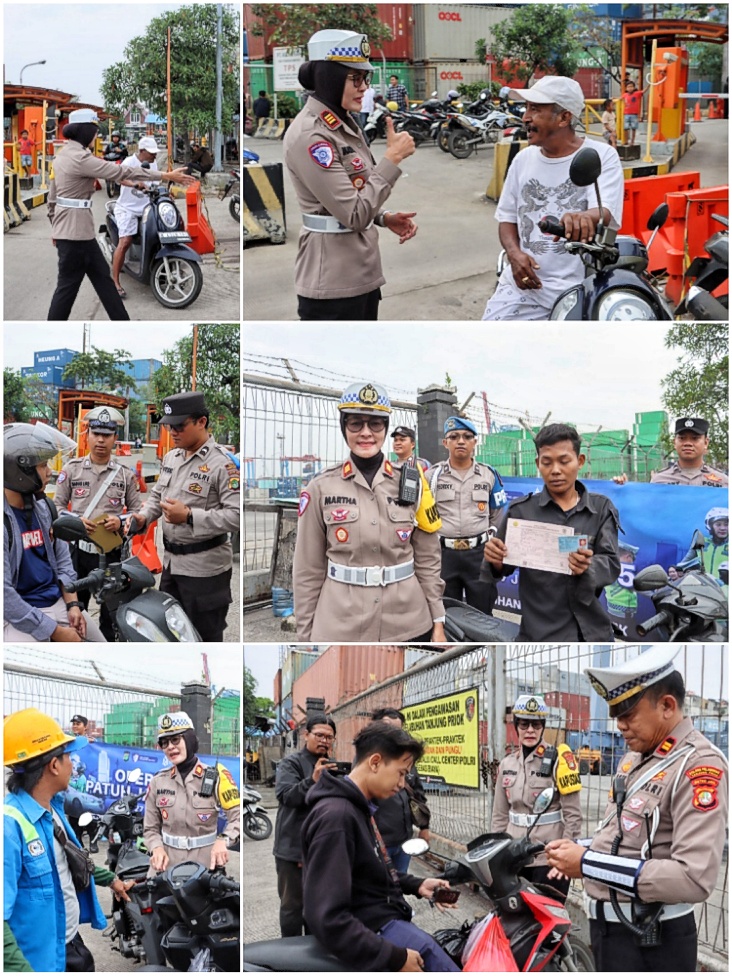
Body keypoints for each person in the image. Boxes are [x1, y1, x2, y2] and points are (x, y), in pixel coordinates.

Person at [545, 646, 728, 972]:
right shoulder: (636, 758)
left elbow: (693, 878)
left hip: (652, 942)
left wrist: (587, 864)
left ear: (667, 706)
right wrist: (579, 849)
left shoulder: (698, 765)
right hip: (611, 933)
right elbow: (624, 836)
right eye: (616, 716)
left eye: (628, 715)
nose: (619, 727)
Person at [293, 380, 446, 642]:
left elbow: (428, 557)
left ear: (385, 429)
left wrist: (438, 620)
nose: (366, 432)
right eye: (355, 423)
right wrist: (306, 635)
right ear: (344, 428)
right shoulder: (320, 487)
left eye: (375, 423)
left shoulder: (413, 482)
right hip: (342, 624)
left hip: (407, 622)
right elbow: (308, 569)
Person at [302, 721, 460, 972]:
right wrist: (393, 958)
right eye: (400, 773)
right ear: (375, 762)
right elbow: (327, 917)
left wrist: (416, 884)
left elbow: (368, 871)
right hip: (373, 930)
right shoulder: (338, 817)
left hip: (382, 918)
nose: (402, 784)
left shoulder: (358, 807)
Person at [283, 29, 417, 321]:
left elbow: (354, 191)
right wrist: (392, 158)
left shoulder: (342, 123)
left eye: (365, 79)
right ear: (329, 77)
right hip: (333, 284)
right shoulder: (312, 136)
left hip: (362, 274)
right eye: (355, 79)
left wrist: (383, 216)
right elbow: (354, 213)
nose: (364, 87)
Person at [482, 76, 624, 321]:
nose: (526, 117)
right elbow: (506, 220)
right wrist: (515, 255)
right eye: (526, 108)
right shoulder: (522, 160)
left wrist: (584, 217)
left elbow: (604, 210)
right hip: (522, 289)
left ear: (564, 117)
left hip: (578, 290)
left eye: (535, 109)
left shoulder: (601, 156)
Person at [4, 708, 133, 972]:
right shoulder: (10, 827)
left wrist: (112, 881)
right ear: (53, 765)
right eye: (67, 757)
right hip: (39, 961)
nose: (72, 765)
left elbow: (69, 860)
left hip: (69, 943)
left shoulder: (51, 810)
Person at [46, 108, 194, 321]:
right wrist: (164, 175)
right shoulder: (80, 158)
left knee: (104, 282)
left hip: (80, 234)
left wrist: (55, 227)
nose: (97, 135)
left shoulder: (62, 156)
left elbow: (52, 197)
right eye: (95, 131)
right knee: (67, 289)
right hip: (74, 236)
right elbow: (120, 172)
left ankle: (123, 322)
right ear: (86, 132)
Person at [481, 423, 621, 640]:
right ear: (538, 463)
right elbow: (500, 567)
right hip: (538, 633)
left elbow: (612, 564)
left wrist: (588, 566)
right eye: (547, 462)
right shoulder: (521, 512)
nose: (555, 470)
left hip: (590, 633)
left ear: (580, 461)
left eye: (564, 461)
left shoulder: (601, 509)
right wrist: (496, 559)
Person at [126, 391, 240, 642]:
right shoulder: (171, 457)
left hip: (205, 572)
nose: (173, 433)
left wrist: (189, 516)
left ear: (201, 421)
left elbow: (236, 516)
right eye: (168, 427)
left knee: (204, 639)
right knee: (170, 635)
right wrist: (144, 517)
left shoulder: (223, 464)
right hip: (171, 566)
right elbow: (157, 497)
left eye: (179, 425)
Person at [4, 423, 105, 643]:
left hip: (57, 601)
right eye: (43, 465)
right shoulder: (5, 522)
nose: (50, 471)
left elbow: (63, 559)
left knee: (101, 646)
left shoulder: (45, 508)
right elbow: (5, 595)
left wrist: (73, 604)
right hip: (18, 615)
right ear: (19, 471)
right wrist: (56, 632)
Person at [54, 406, 141, 640]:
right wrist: (77, 522)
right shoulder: (71, 469)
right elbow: (58, 509)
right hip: (78, 555)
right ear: (88, 435)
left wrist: (120, 520)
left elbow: (137, 511)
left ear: (115, 438)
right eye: (96, 433)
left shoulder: (125, 474)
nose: (101, 440)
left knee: (110, 616)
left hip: (111, 556)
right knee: (75, 612)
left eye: (107, 435)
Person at [491, 695, 582, 900]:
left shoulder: (560, 760)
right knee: (516, 919)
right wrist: (497, 852)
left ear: (543, 727)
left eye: (536, 724)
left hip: (547, 858)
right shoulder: (507, 765)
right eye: (524, 724)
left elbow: (573, 816)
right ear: (516, 726)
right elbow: (499, 815)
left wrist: (564, 855)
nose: (530, 730)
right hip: (514, 857)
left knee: (547, 922)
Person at [143, 711, 240, 875]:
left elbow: (237, 818)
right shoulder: (158, 781)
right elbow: (150, 829)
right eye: (165, 743)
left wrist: (223, 840)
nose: (170, 747)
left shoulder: (217, 776)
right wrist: (156, 848)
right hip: (165, 867)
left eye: (175, 739)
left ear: (189, 740)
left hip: (204, 866)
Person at [429, 416, 507, 616]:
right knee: (448, 615)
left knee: (482, 614)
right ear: (445, 442)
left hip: (479, 555)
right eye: (454, 436)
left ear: (475, 442)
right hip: (444, 555)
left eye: (467, 436)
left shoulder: (489, 474)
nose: (461, 441)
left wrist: (491, 540)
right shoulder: (432, 476)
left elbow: (497, 513)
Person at [273, 714, 338, 937]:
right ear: (306, 735)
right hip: (292, 850)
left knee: (318, 905)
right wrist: (313, 780)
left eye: (329, 737)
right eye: (319, 735)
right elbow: (287, 796)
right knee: (292, 907)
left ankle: (313, 951)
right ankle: (289, 958)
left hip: (321, 848)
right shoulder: (290, 763)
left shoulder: (333, 765)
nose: (324, 741)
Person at [371, 708, 430, 873]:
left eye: (397, 730)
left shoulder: (407, 760)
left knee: (400, 884)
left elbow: (418, 795)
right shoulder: (368, 761)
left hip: (404, 841)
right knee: (379, 888)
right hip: (379, 842)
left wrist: (424, 828)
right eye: (387, 728)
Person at [110, 135, 161, 297]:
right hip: (127, 208)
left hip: (147, 208)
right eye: (151, 152)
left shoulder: (152, 163)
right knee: (125, 241)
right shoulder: (129, 163)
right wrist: (135, 184)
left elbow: (157, 182)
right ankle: (115, 282)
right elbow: (120, 179)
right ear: (142, 151)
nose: (155, 155)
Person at [65, 714, 98, 853]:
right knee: (74, 816)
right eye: (73, 724)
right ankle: (79, 845)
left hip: (86, 784)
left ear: (85, 726)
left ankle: (93, 841)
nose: (74, 726)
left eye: (78, 724)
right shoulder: (69, 741)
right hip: (72, 784)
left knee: (90, 814)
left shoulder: (93, 743)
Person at [678, 507, 728, 580]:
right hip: (703, 589)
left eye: (726, 524)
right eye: (718, 524)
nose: (723, 528)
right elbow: (683, 565)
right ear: (710, 526)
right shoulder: (701, 542)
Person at [621, 79, 648, 146]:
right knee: (626, 128)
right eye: (628, 87)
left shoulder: (637, 94)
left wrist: (649, 85)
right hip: (626, 114)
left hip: (634, 114)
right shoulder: (625, 95)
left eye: (631, 86)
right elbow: (620, 98)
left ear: (634, 87)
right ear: (626, 88)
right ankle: (626, 140)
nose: (630, 88)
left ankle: (632, 141)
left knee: (633, 128)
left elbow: (643, 91)